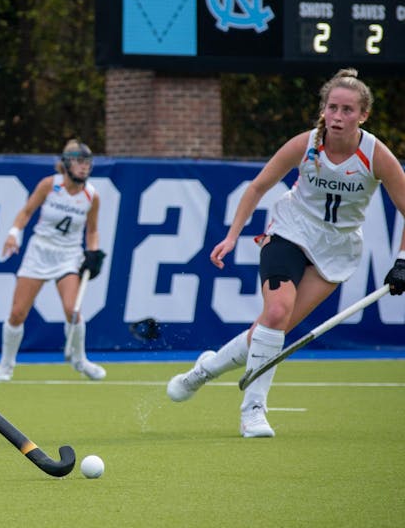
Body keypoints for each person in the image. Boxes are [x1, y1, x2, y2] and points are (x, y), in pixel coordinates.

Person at [167, 68, 405, 438]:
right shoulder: (306, 145)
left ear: (363, 115)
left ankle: (205, 370)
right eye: (332, 108)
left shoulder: (376, 156)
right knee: (276, 312)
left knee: (271, 330)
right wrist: (231, 237)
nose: (338, 117)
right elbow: (258, 187)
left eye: (347, 110)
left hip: (337, 250)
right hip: (290, 231)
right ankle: (253, 411)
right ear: (323, 110)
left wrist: (402, 261)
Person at [0, 139, 107, 382]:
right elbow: (26, 212)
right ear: (66, 163)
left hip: (68, 256)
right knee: (17, 313)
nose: (84, 167)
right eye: (79, 162)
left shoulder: (91, 196)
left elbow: (92, 230)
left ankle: (80, 360)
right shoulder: (49, 185)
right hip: (40, 251)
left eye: (87, 162)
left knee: (72, 310)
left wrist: (93, 252)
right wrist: (14, 233)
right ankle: (6, 364)